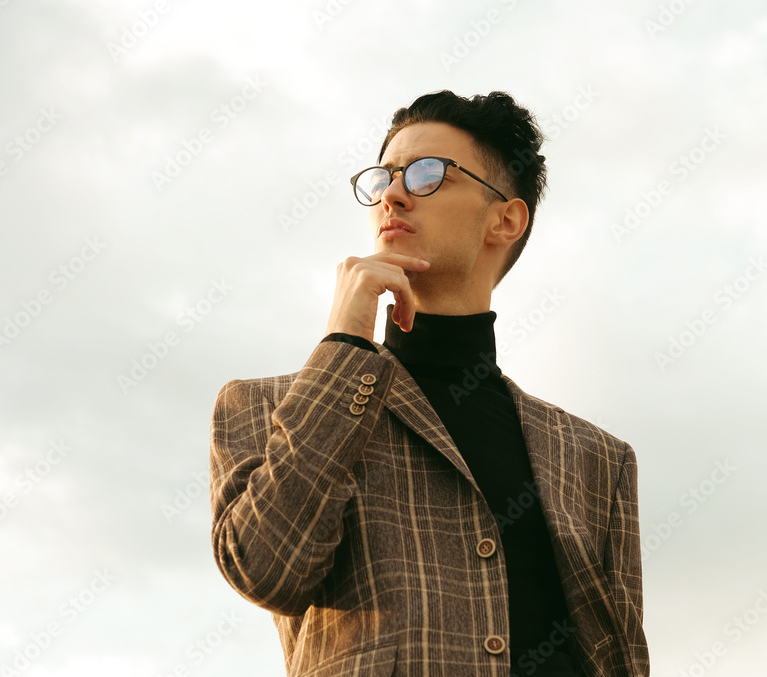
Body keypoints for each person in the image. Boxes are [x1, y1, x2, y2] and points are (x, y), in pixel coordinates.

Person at [208, 90, 649, 676]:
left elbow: (621, 659)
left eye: (425, 175)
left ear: (505, 219)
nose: (392, 194)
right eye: (385, 177)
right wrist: (344, 345)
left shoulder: (596, 458)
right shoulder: (263, 406)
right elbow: (267, 568)